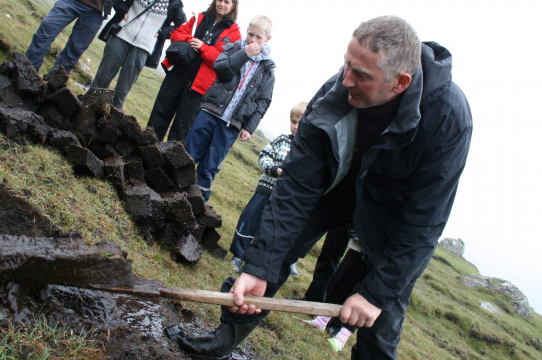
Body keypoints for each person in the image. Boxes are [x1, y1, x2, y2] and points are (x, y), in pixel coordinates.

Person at [165, 15, 473, 359]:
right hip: (333, 186)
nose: (347, 80)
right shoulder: (338, 90)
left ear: (400, 83)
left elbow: (423, 221)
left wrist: (375, 294)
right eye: (347, 65)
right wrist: (259, 266)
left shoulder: (449, 119)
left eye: (362, 75)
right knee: (271, 255)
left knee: (384, 309)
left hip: (392, 211)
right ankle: (225, 337)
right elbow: (295, 187)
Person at [184, 15, 275, 203]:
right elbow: (220, 68)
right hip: (210, 112)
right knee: (189, 153)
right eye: (250, 34)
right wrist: (244, 53)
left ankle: (196, 207)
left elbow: (264, 101)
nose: (253, 40)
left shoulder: (268, 70)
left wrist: (249, 127)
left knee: (209, 166)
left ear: (267, 39)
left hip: (231, 125)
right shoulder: (234, 48)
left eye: (259, 37)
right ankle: (169, 189)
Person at [146, 0, 241, 142]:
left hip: (199, 87)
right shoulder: (199, 18)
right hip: (177, 74)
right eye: (220, 0)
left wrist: (203, 47)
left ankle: (166, 163)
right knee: (158, 117)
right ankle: (143, 152)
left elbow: (226, 63)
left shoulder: (235, 34)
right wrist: (191, 39)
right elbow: (175, 34)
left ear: (233, 5)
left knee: (181, 130)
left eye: (227, 2)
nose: (222, 4)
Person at [230, 102, 306, 277]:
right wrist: (273, 169)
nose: (296, 126)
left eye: (301, 123)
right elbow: (264, 155)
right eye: (294, 122)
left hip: (284, 200)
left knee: (269, 231)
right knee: (249, 220)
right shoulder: (281, 140)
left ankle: (255, 261)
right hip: (265, 190)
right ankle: (238, 255)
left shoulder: (307, 150)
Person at [88, 0, 174, 110]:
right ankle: (86, 107)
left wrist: (163, 32)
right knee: (102, 76)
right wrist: (122, 8)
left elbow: (180, 26)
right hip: (121, 35)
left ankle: (112, 121)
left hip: (143, 46)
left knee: (123, 89)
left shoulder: (174, 3)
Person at [25, 0, 123, 74]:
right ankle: (27, 73)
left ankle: (53, 85)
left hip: (97, 12)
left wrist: (124, 8)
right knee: (46, 30)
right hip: (71, 1)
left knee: (75, 50)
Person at [143, 0, 187, 69]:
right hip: (128, 35)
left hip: (150, 44)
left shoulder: (175, 3)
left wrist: (162, 31)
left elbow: (182, 27)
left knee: (130, 72)